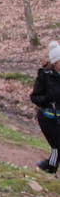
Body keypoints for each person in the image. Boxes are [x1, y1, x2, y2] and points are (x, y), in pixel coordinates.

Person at [30, 40, 60, 175]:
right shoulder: (45, 76)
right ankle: (50, 169)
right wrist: (48, 100)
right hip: (47, 118)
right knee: (57, 147)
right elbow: (34, 97)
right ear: (55, 62)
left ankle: (45, 167)